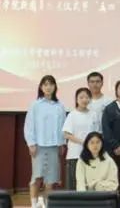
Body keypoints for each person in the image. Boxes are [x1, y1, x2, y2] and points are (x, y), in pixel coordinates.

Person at [25, 75, 66, 206]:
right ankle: (34, 204)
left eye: (51, 84)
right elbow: (29, 125)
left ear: (55, 87)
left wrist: (62, 143)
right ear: (41, 87)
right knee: (37, 177)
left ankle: (47, 204)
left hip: (54, 146)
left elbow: (63, 127)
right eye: (45, 84)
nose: (48, 87)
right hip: (39, 146)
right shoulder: (35, 105)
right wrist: (31, 144)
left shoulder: (59, 106)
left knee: (50, 180)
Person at [63, 87, 98, 190]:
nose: (84, 100)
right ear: (76, 99)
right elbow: (66, 134)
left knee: (89, 183)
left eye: (87, 97)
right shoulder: (72, 115)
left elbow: (96, 133)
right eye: (81, 97)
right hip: (75, 154)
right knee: (73, 184)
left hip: (91, 154)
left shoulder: (93, 114)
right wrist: (83, 142)